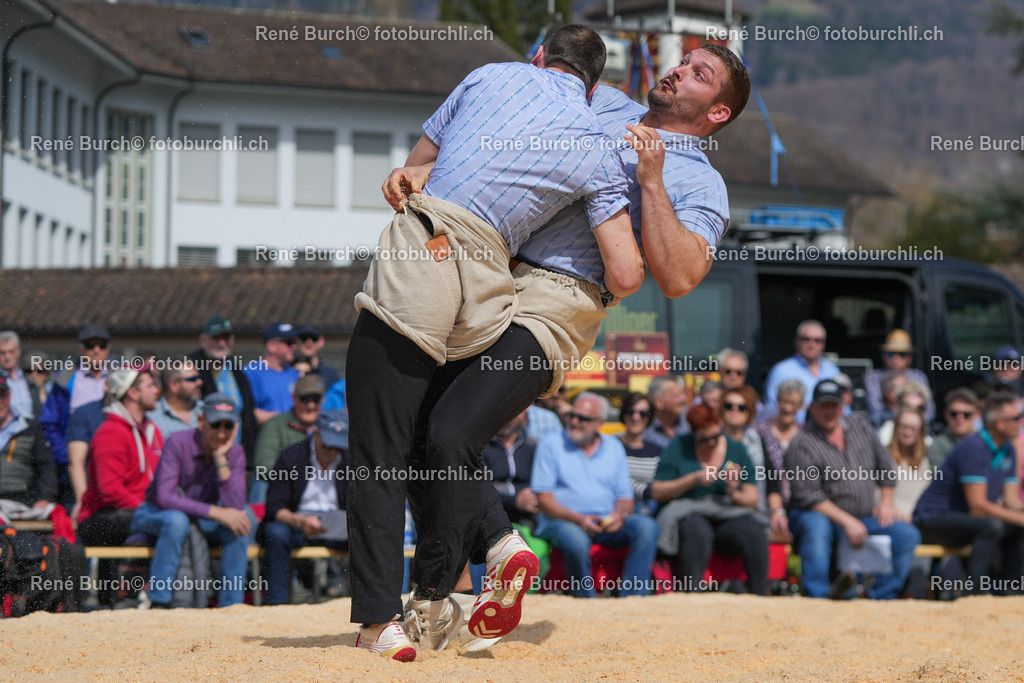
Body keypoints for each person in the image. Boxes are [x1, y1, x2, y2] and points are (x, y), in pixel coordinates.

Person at [378, 36, 750, 652]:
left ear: (717, 113)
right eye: (683, 61)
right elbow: (522, 81)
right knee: (426, 432)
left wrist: (652, 183)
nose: (679, 71)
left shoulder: (701, 181)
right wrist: (424, 165)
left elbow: (681, 277)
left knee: (451, 432)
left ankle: (468, 570)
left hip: (562, 300)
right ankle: (459, 582)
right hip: (487, 272)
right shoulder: (602, 102)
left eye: (699, 73)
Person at [348, 25, 644, 660]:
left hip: (429, 249)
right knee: (440, 430)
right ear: (591, 87)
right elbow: (624, 274)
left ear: (538, 57)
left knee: (381, 441)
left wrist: (406, 178)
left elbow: (415, 167)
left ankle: (378, 619)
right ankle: (487, 549)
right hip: (490, 284)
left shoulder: (488, 75)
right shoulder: (596, 141)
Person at [785, 379, 921, 599]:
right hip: (823, 516)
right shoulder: (801, 443)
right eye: (823, 405)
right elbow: (809, 496)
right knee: (815, 525)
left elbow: (886, 469)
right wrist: (847, 521)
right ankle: (817, 596)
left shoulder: (861, 427)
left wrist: (886, 503)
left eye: (834, 405)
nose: (829, 411)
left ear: (842, 406)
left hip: (865, 516)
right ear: (812, 407)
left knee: (906, 535)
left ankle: (880, 597)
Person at [532, 393, 659, 598]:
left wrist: (620, 516)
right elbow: (544, 500)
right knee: (576, 539)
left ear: (599, 423)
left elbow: (625, 497)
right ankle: (586, 602)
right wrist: (579, 519)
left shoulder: (614, 447)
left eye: (583, 418)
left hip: (604, 521)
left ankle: (633, 599)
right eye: (572, 415)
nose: (574, 421)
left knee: (647, 526)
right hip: (562, 521)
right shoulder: (551, 443)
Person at [130, 394, 252, 609]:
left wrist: (221, 459)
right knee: (177, 521)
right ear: (201, 421)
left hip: (200, 519)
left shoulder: (236, 452)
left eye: (228, 426)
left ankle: (231, 607)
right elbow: (165, 497)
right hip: (154, 513)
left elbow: (236, 506)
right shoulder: (178, 442)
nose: (221, 433)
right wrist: (216, 512)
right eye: (215, 425)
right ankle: (159, 601)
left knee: (241, 522)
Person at [914, 391, 1024, 595]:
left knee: (1014, 528)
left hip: (964, 519)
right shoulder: (973, 447)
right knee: (992, 526)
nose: (1021, 422)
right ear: (999, 424)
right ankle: (974, 594)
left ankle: (1012, 591)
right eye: (1016, 418)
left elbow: (1012, 500)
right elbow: (978, 506)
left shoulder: (1008, 448)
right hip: (931, 520)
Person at [651, 403, 768, 595]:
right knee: (697, 530)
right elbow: (657, 491)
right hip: (690, 513)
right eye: (705, 439)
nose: (712, 443)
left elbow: (751, 498)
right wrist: (693, 479)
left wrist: (732, 491)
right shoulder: (678, 446)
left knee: (753, 531)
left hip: (727, 512)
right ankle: (691, 595)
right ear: (693, 434)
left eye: (716, 436)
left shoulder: (736, 449)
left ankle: (760, 595)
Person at [259, 410, 350, 606]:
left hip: (337, 528)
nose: (332, 452)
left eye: (338, 447)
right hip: (297, 525)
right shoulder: (291, 455)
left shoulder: (350, 461)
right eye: (327, 446)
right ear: (315, 433)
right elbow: (274, 507)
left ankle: (363, 605)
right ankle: (276, 604)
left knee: (368, 535)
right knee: (275, 532)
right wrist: (300, 522)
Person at [40, 324, 112, 508]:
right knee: (77, 514)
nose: (96, 350)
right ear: (80, 348)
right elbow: (49, 422)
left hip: (111, 458)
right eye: (90, 345)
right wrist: (64, 455)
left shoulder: (119, 374)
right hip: (76, 461)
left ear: (108, 348)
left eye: (101, 345)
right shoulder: (65, 378)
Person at [187, 315, 258, 462]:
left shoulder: (238, 371)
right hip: (204, 455)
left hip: (237, 455)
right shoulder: (192, 370)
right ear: (203, 340)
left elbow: (248, 414)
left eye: (226, 338)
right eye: (216, 338)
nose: (221, 343)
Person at [250, 374, 325, 504]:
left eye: (316, 399)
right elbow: (263, 466)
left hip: (320, 491)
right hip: (283, 490)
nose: (311, 405)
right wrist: (298, 479)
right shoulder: (276, 424)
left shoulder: (328, 427)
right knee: (259, 482)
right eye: (305, 399)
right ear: (294, 398)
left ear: (323, 400)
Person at [754, 379, 805, 537]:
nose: (788, 408)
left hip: (799, 503)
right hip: (765, 502)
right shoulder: (760, 430)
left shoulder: (806, 434)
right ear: (777, 401)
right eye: (784, 401)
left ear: (802, 405)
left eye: (793, 403)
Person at [763, 320, 840, 418]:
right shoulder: (781, 371)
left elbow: (844, 407)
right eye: (806, 339)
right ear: (797, 341)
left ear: (823, 344)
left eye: (817, 340)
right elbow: (772, 409)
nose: (812, 344)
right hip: (794, 430)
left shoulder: (832, 370)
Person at [0, 377, 55, 509]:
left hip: (20, 500)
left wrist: (44, 497)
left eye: (2, 396)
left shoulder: (30, 429)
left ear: (9, 396)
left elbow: (46, 467)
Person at [480, 410, 538, 530]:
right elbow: (480, 490)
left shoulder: (532, 446)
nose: (504, 419)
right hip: (492, 516)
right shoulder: (482, 448)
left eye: (509, 414)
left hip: (529, 517)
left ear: (522, 414)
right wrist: (515, 501)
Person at [864, 329, 934, 428]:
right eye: (891, 353)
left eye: (902, 354)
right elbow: (875, 412)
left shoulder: (919, 377)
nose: (896, 358)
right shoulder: (873, 377)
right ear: (883, 355)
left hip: (917, 429)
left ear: (910, 357)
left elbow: (929, 412)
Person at [721, 385, 768, 514]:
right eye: (729, 406)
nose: (734, 410)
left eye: (741, 407)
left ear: (750, 412)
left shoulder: (757, 440)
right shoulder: (712, 439)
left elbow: (770, 479)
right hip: (719, 505)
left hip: (752, 509)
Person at [245, 322, 300, 426]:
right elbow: (247, 413)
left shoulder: (295, 375)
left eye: (294, 342)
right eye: (289, 342)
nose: (293, 347)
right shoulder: (251, 373)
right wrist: (285, 419)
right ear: (271, 346)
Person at [617, 392, 662, 513]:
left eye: (643, 413)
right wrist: (646, 491)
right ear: (624, 414)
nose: (635, 417)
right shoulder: (612, 446)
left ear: (649, 418)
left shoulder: (657, 451)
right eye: (631, 411)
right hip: (617, 505)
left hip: (648, 506)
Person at [886, 407, 931, 520]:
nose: (908, 432)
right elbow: (878, 497)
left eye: (913, 428)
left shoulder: (923, 462)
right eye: (903, 427)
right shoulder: (884, 457)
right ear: (896, 427)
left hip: (918, 517)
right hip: (892, 518)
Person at [147, 361, 203, 439]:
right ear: (174, 385)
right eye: (193, 379)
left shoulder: (206, 410)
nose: (200, 382)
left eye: (199, 377)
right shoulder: (151, 418)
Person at [926, 388, 980, 468]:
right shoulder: (937, 446)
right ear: (946, 414)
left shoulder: (985, 444)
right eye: (954, 413)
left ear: (976, 415)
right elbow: (941, 477)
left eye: (966, 414)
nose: (960, 418)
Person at [876, 382, 933, 447]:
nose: (913, 414)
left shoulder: (928, 440)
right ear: (897, 408)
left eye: (919, 409)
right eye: (908, 408)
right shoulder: (887, 434)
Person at [0, 330, 40, 419]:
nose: (7, 357)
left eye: (11, 352)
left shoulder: (30, 383)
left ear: (18, 352)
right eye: (3, 353)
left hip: (29, 430)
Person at [645, 374, 690, 449]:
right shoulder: (646, 430)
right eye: (677, 395)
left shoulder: (690, 421)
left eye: (683, 393)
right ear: (658, 402)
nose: (684, 398)